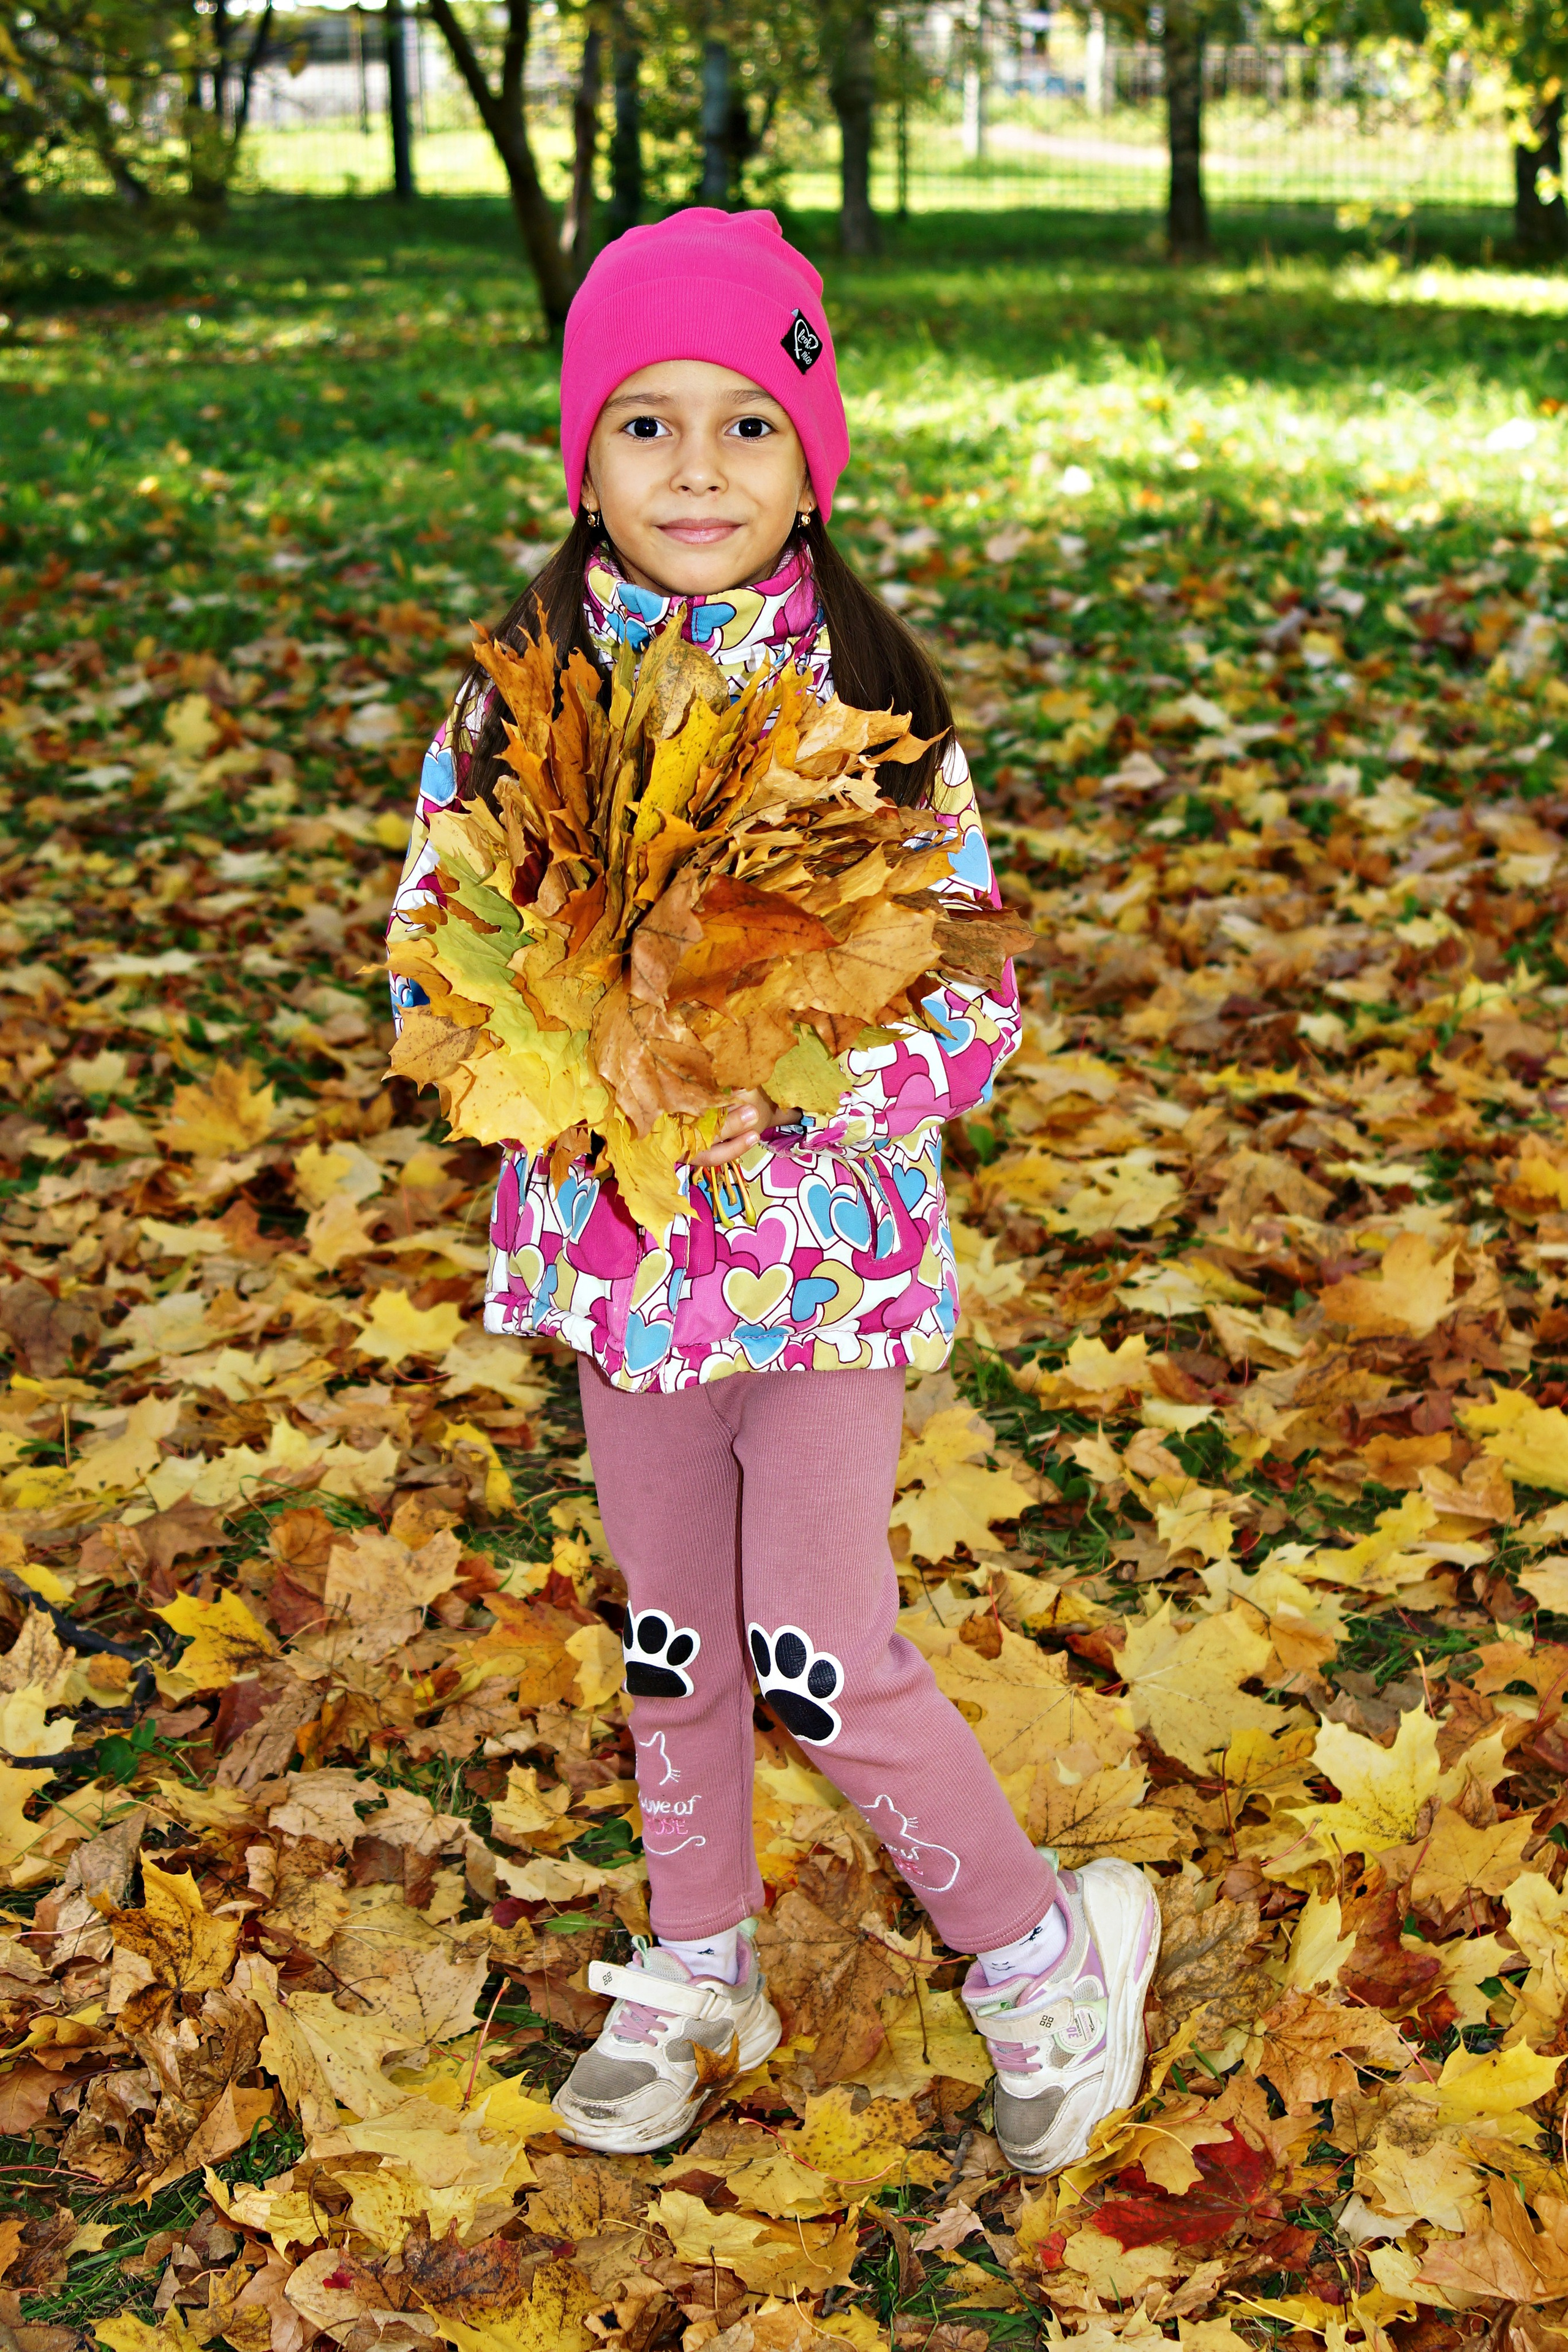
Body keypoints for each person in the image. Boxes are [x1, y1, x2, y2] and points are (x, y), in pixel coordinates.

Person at [388, 207, 1159, 2173]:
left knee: (812, 1644)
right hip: (625, 1275)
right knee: (672, 1633)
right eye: (646, 425)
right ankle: (697, 1948)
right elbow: (437, 957)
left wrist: (780, 1083)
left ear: (813, 452)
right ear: (584, 457)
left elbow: (973, 1009)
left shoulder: (874, 718)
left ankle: (1040, 1953)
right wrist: (560, 1051)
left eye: (748, 420)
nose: (700, 469)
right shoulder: (512, 711)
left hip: (820, 1273)